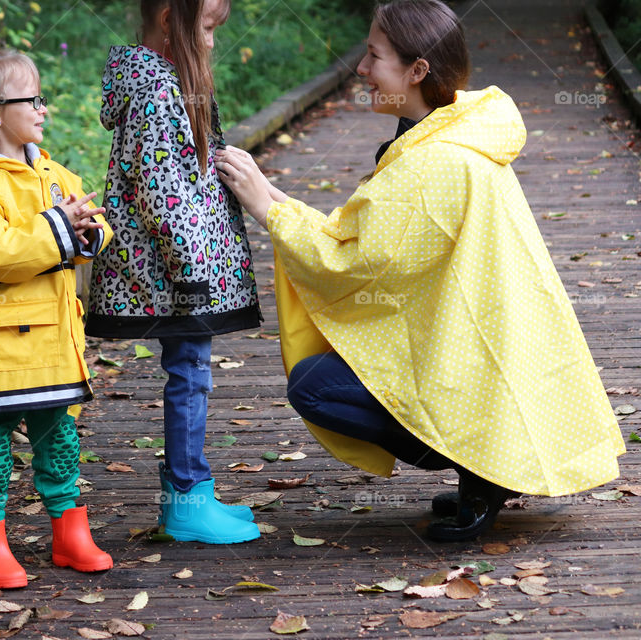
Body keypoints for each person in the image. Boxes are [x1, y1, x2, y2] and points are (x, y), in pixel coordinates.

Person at [215, 0, 625, 542]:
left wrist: (268, 210)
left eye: (374, 56)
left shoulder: (434, 159)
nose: (361, 69)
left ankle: (480, 467)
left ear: (416, 71)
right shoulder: (450, 132)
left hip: (468, 360)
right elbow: (363, 235)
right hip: (482, 349)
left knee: (314, 387)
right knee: (328, 380)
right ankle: (483, 464)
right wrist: (267, 191)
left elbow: (354, 261)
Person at [0, 45, 115, 588]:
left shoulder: (53, 173)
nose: (44, 109)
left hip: (55, 339)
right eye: (32, 99)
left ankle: (68, 529)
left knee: (57, 431)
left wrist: (88, 233)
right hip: (2, 343)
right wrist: (58, 226)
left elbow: (89, 222)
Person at [85, 0, 262, 544]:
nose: (211, 42)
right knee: (190, 376)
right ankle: (186, 499)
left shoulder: (156, 82)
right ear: (170, 20)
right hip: (173, 276)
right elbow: (163, 194)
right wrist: (192, 271)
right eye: (206, 28)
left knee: (191, 372)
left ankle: (193, 492)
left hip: (168, 270)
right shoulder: (159, 90)